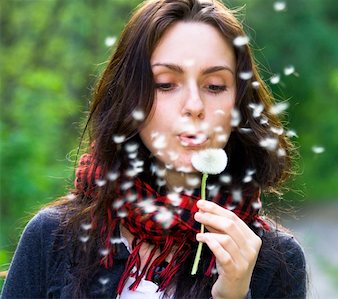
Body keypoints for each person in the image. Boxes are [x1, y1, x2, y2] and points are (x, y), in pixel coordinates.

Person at [1, 0, 307, 298]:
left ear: (238, 103)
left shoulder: (274, 261)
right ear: (130, 97)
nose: (194, 106)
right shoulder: (53, 237)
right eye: (165, 84)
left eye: (214, 86)